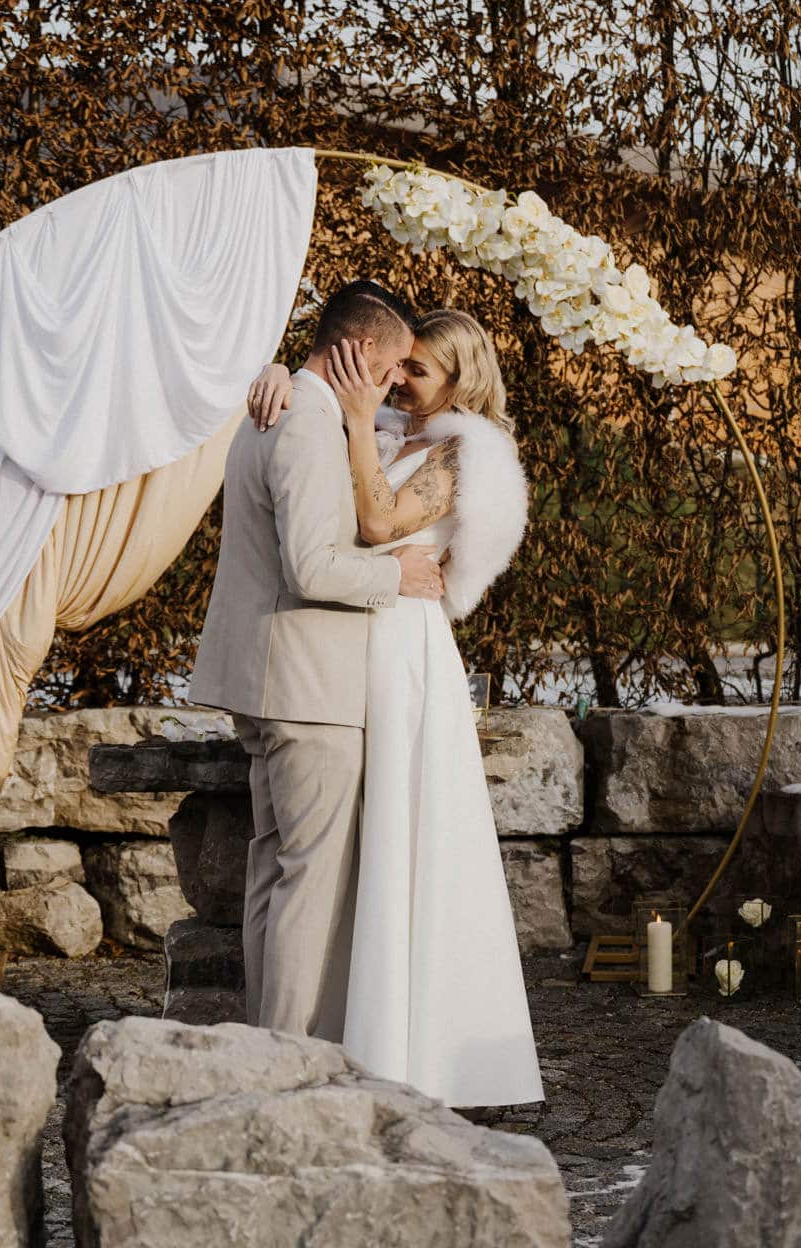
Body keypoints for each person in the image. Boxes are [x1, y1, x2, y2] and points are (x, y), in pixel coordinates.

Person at [243, 307, 542, 1108]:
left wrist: (346, 415)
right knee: (332, 859)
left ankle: (417, 1051)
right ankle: (336, 1037)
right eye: (400, 364)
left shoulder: (465, 452)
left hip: (405, 648)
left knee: (402, 838)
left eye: (419, 370)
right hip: (347, 642)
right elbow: (309, 492)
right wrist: (279, 375)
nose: (398, 379)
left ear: (461, 379)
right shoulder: (379, 432)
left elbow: (375, 521)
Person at [189, 281, 447, 1043]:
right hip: (307, 687)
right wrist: (395, 577)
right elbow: (313, 566)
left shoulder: (285, 408)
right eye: (397, 363)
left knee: (274, 874)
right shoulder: (303, 422)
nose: (401, 379)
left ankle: (266, 1047)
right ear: (362, 352)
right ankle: (291, 1059)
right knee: (309, 883)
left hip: (273, 680)